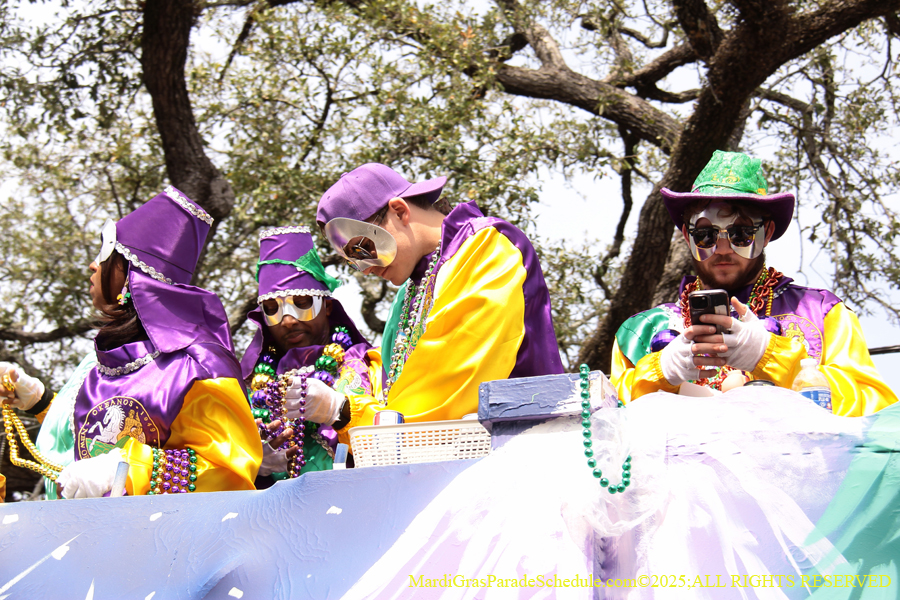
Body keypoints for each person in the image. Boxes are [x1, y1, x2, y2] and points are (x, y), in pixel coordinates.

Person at [1, 187, 261, 498]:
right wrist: (39, 402)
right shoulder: (102, 365)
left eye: (104, 254)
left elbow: (228, 471)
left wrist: (126, 469)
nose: (92, 266)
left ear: (130, 274)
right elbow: (87, 447)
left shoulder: (199, 365)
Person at [610, 150, 898, 416]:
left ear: (767, 232)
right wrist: (659, 372)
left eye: (740, 233)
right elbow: (601, 426)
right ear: (687, 236)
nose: (722, 249)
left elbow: (878, 411)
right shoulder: (640, 332)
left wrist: (774, 357)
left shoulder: (822, 312)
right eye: (706, 235)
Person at [313, 163, 564, 441]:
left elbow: (454, 382)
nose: (365, 268)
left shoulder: (485, 248)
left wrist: (351, 414)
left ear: (399, 211)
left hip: (519, 453)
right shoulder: (406, 299)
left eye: (362, 249)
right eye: (353, 262)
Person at [240, 226, 376, 478]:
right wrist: (256, 468)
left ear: (326, 307)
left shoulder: (368, 364)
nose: (289, 321)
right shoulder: (252, 387)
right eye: (272, 309)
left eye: (302, 304)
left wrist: (339, 410)